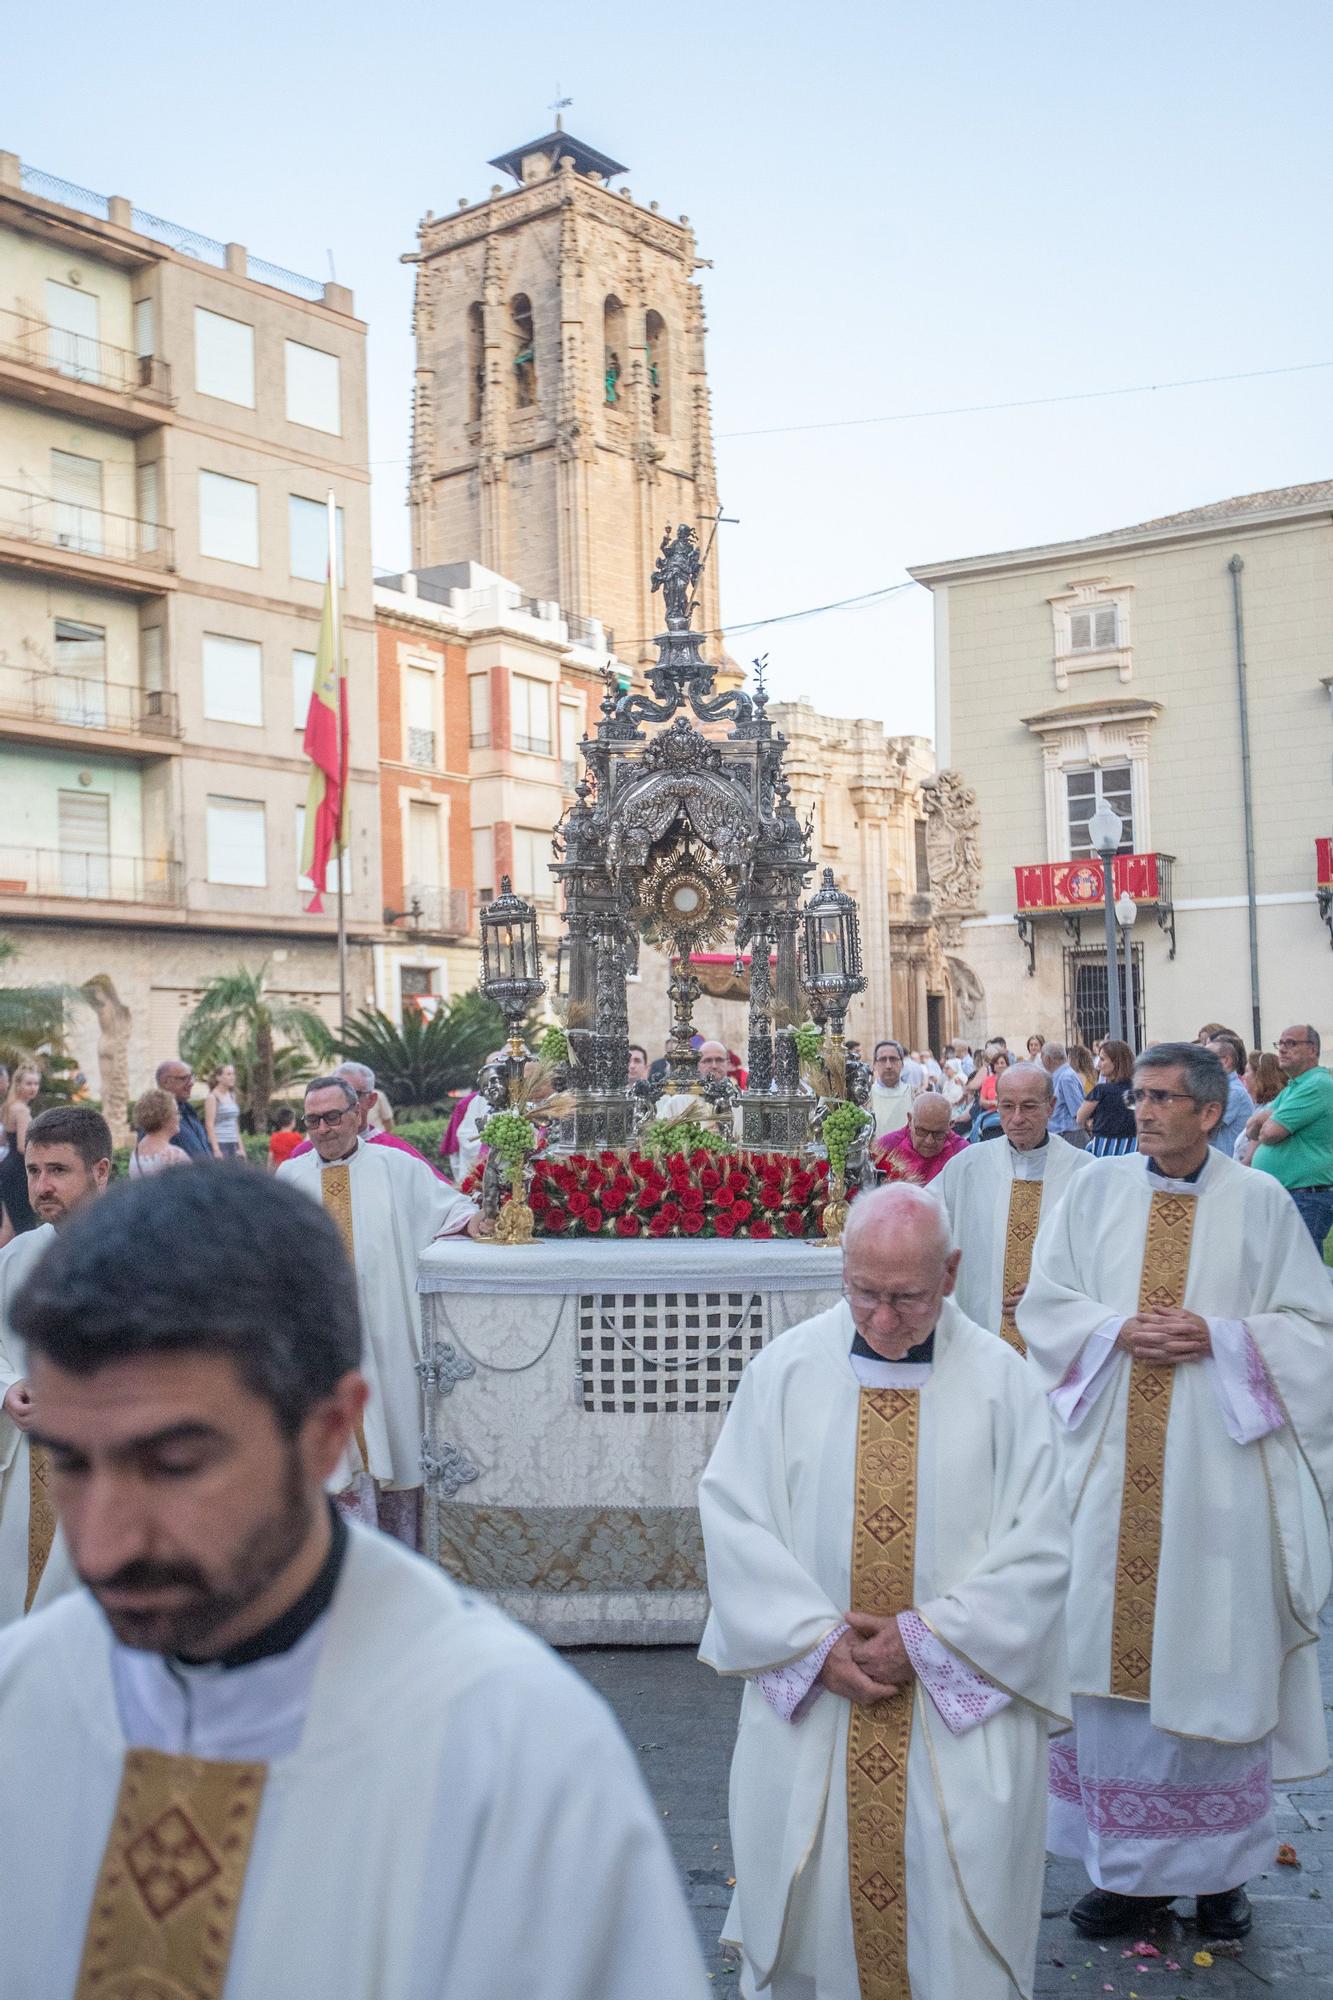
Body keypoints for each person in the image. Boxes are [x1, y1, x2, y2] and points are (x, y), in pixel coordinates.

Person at [0, 1165, 712, 2000]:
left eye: (175, 1464)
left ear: (329, 1432)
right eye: (73, 1461)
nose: (108, 1541)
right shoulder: (23, 1698)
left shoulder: (514, 1754)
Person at [699, 1184, 1070, 1999]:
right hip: (817, 1707)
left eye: (907, 1297)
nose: (882, 1318)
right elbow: (732, 1514)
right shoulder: (786, 1369)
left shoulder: (1007, 1385)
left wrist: (929, 1639)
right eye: (862, 1291)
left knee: (954, 1930)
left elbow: (1045, 1546)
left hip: (955, 1719)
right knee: (814, 1914)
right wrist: (809, 1641)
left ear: (952, 1272)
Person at [1020, 1042, 1333, 1943]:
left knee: (1213, 1652)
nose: (1143, 1110)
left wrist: (1223, 1340)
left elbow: (1314, 1330)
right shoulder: (1094, 1191)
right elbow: (1044, 1306)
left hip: (1217, 1479)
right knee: (1105, 1665)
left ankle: (1221, 1874)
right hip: (1109, 1465)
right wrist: (1116, 1329)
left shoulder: (1261, 1202)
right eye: (1139, 1095)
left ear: (1208, 1112)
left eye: (1162, 1099)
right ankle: (1126, 1875)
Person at [278, 1075, 487, 1547]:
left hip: (386, 1332)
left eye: (334, 1116)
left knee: (390, 1429)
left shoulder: (396, 1165)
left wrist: (476, 1220)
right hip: (321, 1339)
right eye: (314, 1120)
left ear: (357, 1114)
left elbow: (449, 1210)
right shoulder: (290, 1178)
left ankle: (398, 1553)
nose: (325, 1128)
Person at [0, 1107, 112, 1626]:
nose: (42, 1186)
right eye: (32, 1171)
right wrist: (8, 1388)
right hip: (26, 1468)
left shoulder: (148, 1252)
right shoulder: (14, 1256)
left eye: (58, 1171)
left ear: (101, 1170)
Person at [934, 1061, 1090, 1348]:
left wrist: (1054, 1295)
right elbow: (924, 1222)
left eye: (1029, 1106)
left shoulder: (1084, 1173)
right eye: (1007, 1106)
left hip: (1056, 1337)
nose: (1016, 1118)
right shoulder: (966, 1167)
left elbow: (1097, 1263)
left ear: (1051, 1106)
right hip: (982, 1330)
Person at [1243, 1025, 1333, 1250]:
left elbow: (1269, 1133)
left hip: (1306, 1195)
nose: (1282, 1049)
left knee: (1303, 1272)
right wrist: (1269, 1116)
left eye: (1291, 1043)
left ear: (1313, 1050)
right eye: (1280, 1043)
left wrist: (1268, 1117)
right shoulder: (1293, 1087)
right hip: (1291, 1194)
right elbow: (1251, 1130)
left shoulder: (1317, 1084)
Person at [290, 1061, 444, 1178]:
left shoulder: (398, 1154)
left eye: (353, 1093)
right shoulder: (302, 1155)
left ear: (371, 1100)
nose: (342, 1100)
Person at [874, 1092, 967, 1187]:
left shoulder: (963, 1153)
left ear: (950, 1126)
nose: (929, 1141)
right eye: (922, 1131)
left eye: (938, 1133)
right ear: (910, 1120)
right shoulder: (886, 1148)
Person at [1075, 1038, 1138, 1157]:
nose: (1098, 1065)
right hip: (1132, 1149)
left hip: (1104, 1148)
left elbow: (1080, 1118)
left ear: (1116, 1062)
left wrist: (1090, 1124)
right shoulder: (1139, 1090)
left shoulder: (1101, 1091)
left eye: (1102, 1059)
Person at [0, 1063, 42, 1239]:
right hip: (18, 1170)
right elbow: (22, 1146)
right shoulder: (21, 1110)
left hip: (9, 1167)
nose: (33, 1088)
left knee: (9, 1227)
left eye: (36, 1084)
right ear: (18, 1085)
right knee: (24, 1225)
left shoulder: (9, 1107)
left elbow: (4, 1139)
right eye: (29, 1083)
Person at [1205, 1032, 1255, 1158]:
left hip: (1227, 1164)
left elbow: (1204, 1123)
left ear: (1226, 1061)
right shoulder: (1220, 1089)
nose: (1201, 1064)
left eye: (1207, 1058)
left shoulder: (1233, 1092)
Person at [1234, 1048, 1285, 1166]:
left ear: (1259, 1075)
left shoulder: (1267, 1110)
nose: (1243, 1076)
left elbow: (1248, 1160)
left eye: (1247, 1071)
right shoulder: (1258, 1108)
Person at [153, 1058, 211, 1159]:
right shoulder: (156, 1118)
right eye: (184, 1078)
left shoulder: (189, 1111)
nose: (191, 1083)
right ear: (166, 1082)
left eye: (191, 1077)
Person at [128, 1089, 191, 1176]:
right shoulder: (176, 1156)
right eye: (176, 1113)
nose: (179, 1117)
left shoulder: (135, 1153)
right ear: (165, 1117)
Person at [1042, 1040, 1087, 1148]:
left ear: (1047, 1059)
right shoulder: (1062, 1075)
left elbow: (1078, 1111)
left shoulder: (1066, 1078)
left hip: (1069, 1136)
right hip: (1063, 1136)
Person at [869, 1040, 914, 1141]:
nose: (888, 1065)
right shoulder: (866, 1098)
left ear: (902, 1063)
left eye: (893, 1059)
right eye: (883, 1059)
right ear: (874, 1065)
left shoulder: (914, 1095)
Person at [204, 1061, 243, 1160]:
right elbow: (209, 1124)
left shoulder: (232, 1096)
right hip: (221, 1143)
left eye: (233, 1074)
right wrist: (216, 1149)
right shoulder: (212, 1097)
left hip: (233, 1142)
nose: (232, 1077)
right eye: (228, 1074)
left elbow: (235, 1124)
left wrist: (241, 1147)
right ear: (218, 1077)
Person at [268, 1103, 303, 1171]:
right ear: (293, 1121)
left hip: (279, 1172)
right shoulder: (296, 1137)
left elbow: (270, 1159)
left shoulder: (274, 1137)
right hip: (293, 1171)